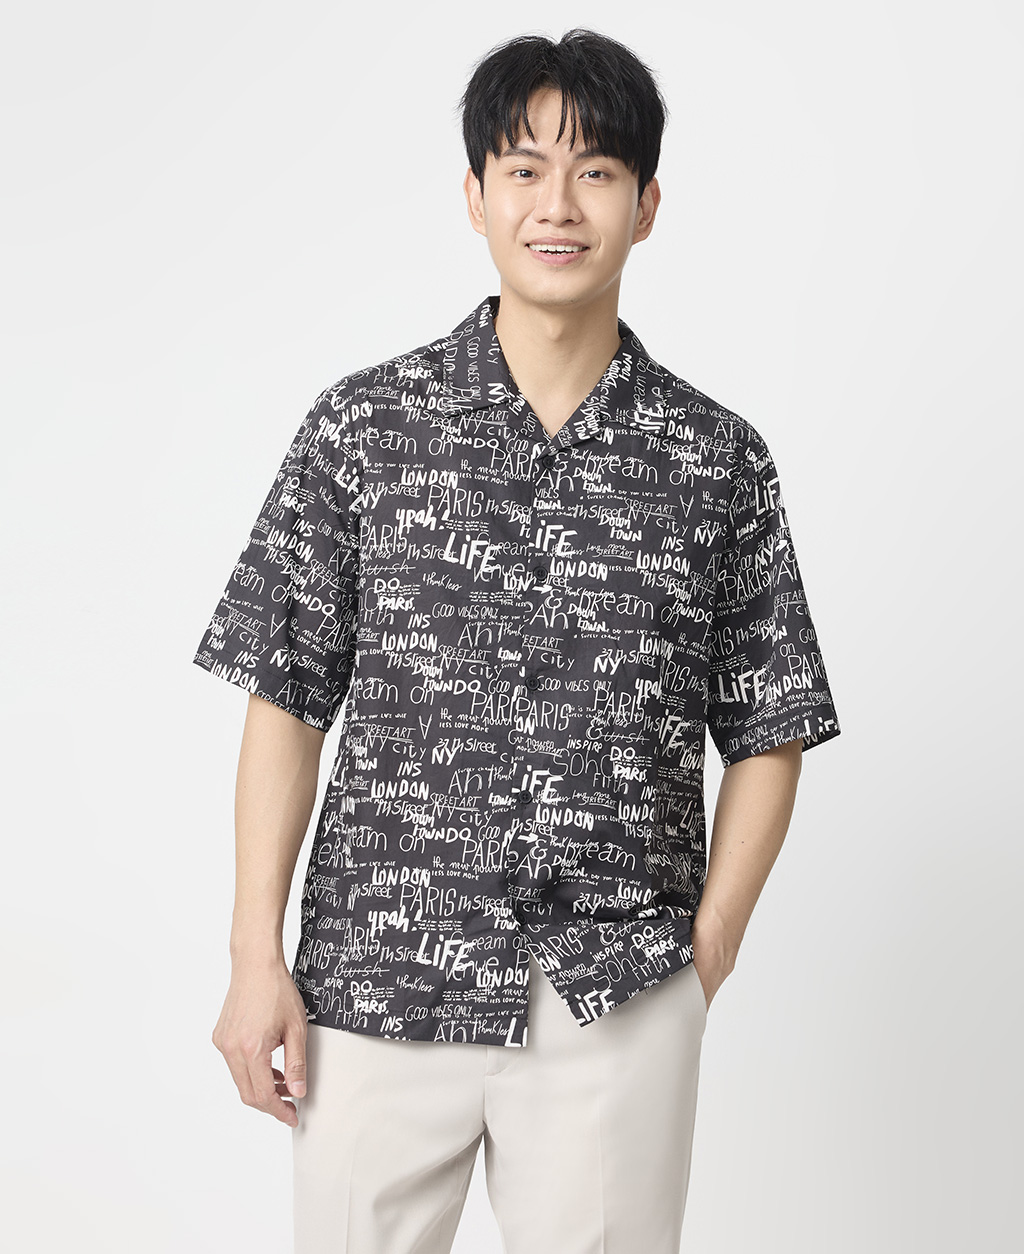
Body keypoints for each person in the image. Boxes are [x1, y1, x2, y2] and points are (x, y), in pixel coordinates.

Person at [192, 27, 841, 1254]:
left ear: (646, 205)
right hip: (379, 979)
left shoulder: (716, 460)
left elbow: (771, 726)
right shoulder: (365, 428)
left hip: (615, 992)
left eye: (595, 171)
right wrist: (251, 957)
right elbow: (284, 696)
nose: (558, 204)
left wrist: (705, 951)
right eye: (525, 169)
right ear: (475, 196)